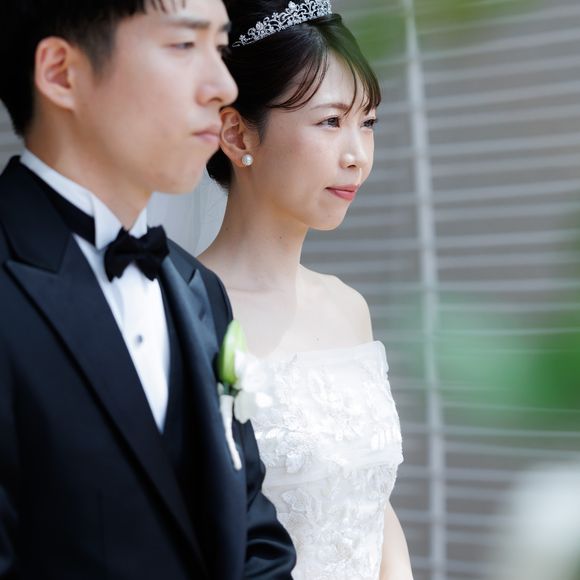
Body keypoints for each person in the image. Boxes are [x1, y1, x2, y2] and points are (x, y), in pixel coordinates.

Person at [0, 1, 296, 578]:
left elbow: (255, 539)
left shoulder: (198, 289)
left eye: (220, 47)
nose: (224, 86)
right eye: (184, 45)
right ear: (61, 72)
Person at [199, 0, 414, 577]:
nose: (357, 156)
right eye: (330, 122)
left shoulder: (348, 307)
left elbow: (369, 502)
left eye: (368, 123)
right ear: (236, 132)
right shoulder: (183, 308)